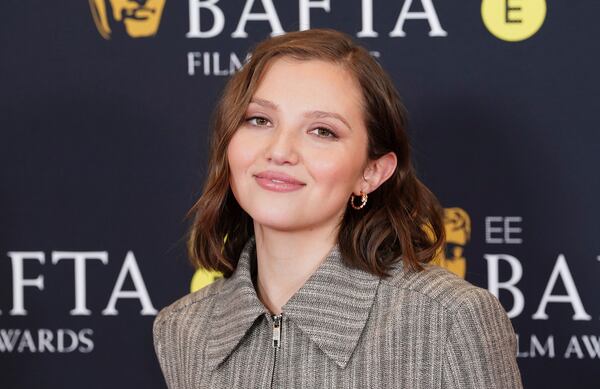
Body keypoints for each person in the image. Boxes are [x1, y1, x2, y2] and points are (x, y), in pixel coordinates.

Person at [152, 28, 523, 388]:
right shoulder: (183, 330)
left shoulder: (450, 319)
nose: (280, 151)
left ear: (372, 172)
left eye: (322, 131)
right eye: (259, 120)